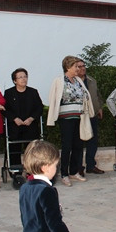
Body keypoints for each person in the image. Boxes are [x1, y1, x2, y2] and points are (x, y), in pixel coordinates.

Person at [16, 140, 80, 232]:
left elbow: (25, 217)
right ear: (45, 167)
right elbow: (55, 223)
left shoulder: (24, 187)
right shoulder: (47, 190)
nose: (57, 168)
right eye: (55, 165)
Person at [47, 56, 92, 186]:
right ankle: (64, 173)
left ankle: (73, 171)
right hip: (66, 118)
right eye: (76, 66)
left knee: (78, 145)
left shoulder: (78, 81)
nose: (78, 69)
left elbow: (85, 96)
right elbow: (53, 98)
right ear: (68, 67)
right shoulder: (59, 81)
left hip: (79, 117)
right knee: (67, 146)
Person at [4, 68, 44, 167]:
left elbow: (39, 107)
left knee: (32, 150)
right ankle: (16, 172)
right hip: (15, 127)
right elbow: (5, 109)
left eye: (25, 76)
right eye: (20, 77)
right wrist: (14, 118)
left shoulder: (33, 92)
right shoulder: (9, 93)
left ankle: (32, 169)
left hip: (30, 126)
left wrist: (31, 118)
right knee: (14, 150)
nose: (23, 79)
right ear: (14, 80)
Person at [76, 60, 104, 175]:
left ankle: (91, 165)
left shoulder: (92, 80)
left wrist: (100, 107)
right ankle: (78, 167)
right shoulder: (73, 82)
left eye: (84, 66)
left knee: (93, 141)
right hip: (79, 116)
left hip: (92, 114)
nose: (83, 68)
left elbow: (97, 95)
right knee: (78, 142)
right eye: (79, 66)